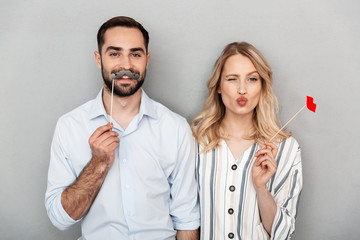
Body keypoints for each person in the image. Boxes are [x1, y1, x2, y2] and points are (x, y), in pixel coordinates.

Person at [45, 16, 200, 240]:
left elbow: (186, 218)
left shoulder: (175, 128)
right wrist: (98, 165)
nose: (126, 66)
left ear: (147, 60)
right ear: (99, 59)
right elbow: (60, 219)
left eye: (135, 54)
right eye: (115, 53)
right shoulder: (69, 126)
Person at [191, 42, 302, 240]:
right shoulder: (195, 139)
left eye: (252, 79)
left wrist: (261, 188)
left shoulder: (286, 149)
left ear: (262, 85)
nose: (242, 90)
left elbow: (283, 233)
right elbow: (182, 215)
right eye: (232, 79)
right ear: (218, 86)